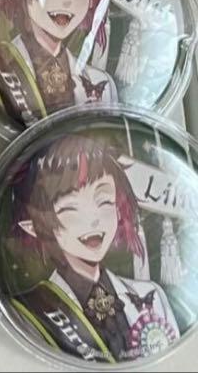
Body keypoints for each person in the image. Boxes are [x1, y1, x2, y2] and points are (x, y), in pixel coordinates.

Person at [9, 135, 179, 362]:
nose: (93, 219)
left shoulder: (151, 296)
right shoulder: (29, 310)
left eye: (104, 201)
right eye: (70, 208)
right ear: (34, 227)